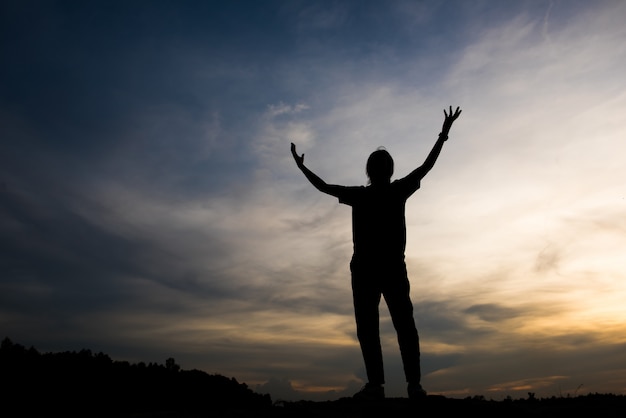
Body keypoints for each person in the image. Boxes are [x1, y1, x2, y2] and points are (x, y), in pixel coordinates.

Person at [291, 106, 462, 400]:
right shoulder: (390, 191)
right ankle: (401, 385)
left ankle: (389, 385)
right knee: (393, 327)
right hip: (378, 269)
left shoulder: (372, 193)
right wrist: (443, 134)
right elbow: (426, 166)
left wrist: (302, 167)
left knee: (384, 327)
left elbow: (323, 187)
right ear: (386, 169)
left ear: (371, 170)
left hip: (378, 269)